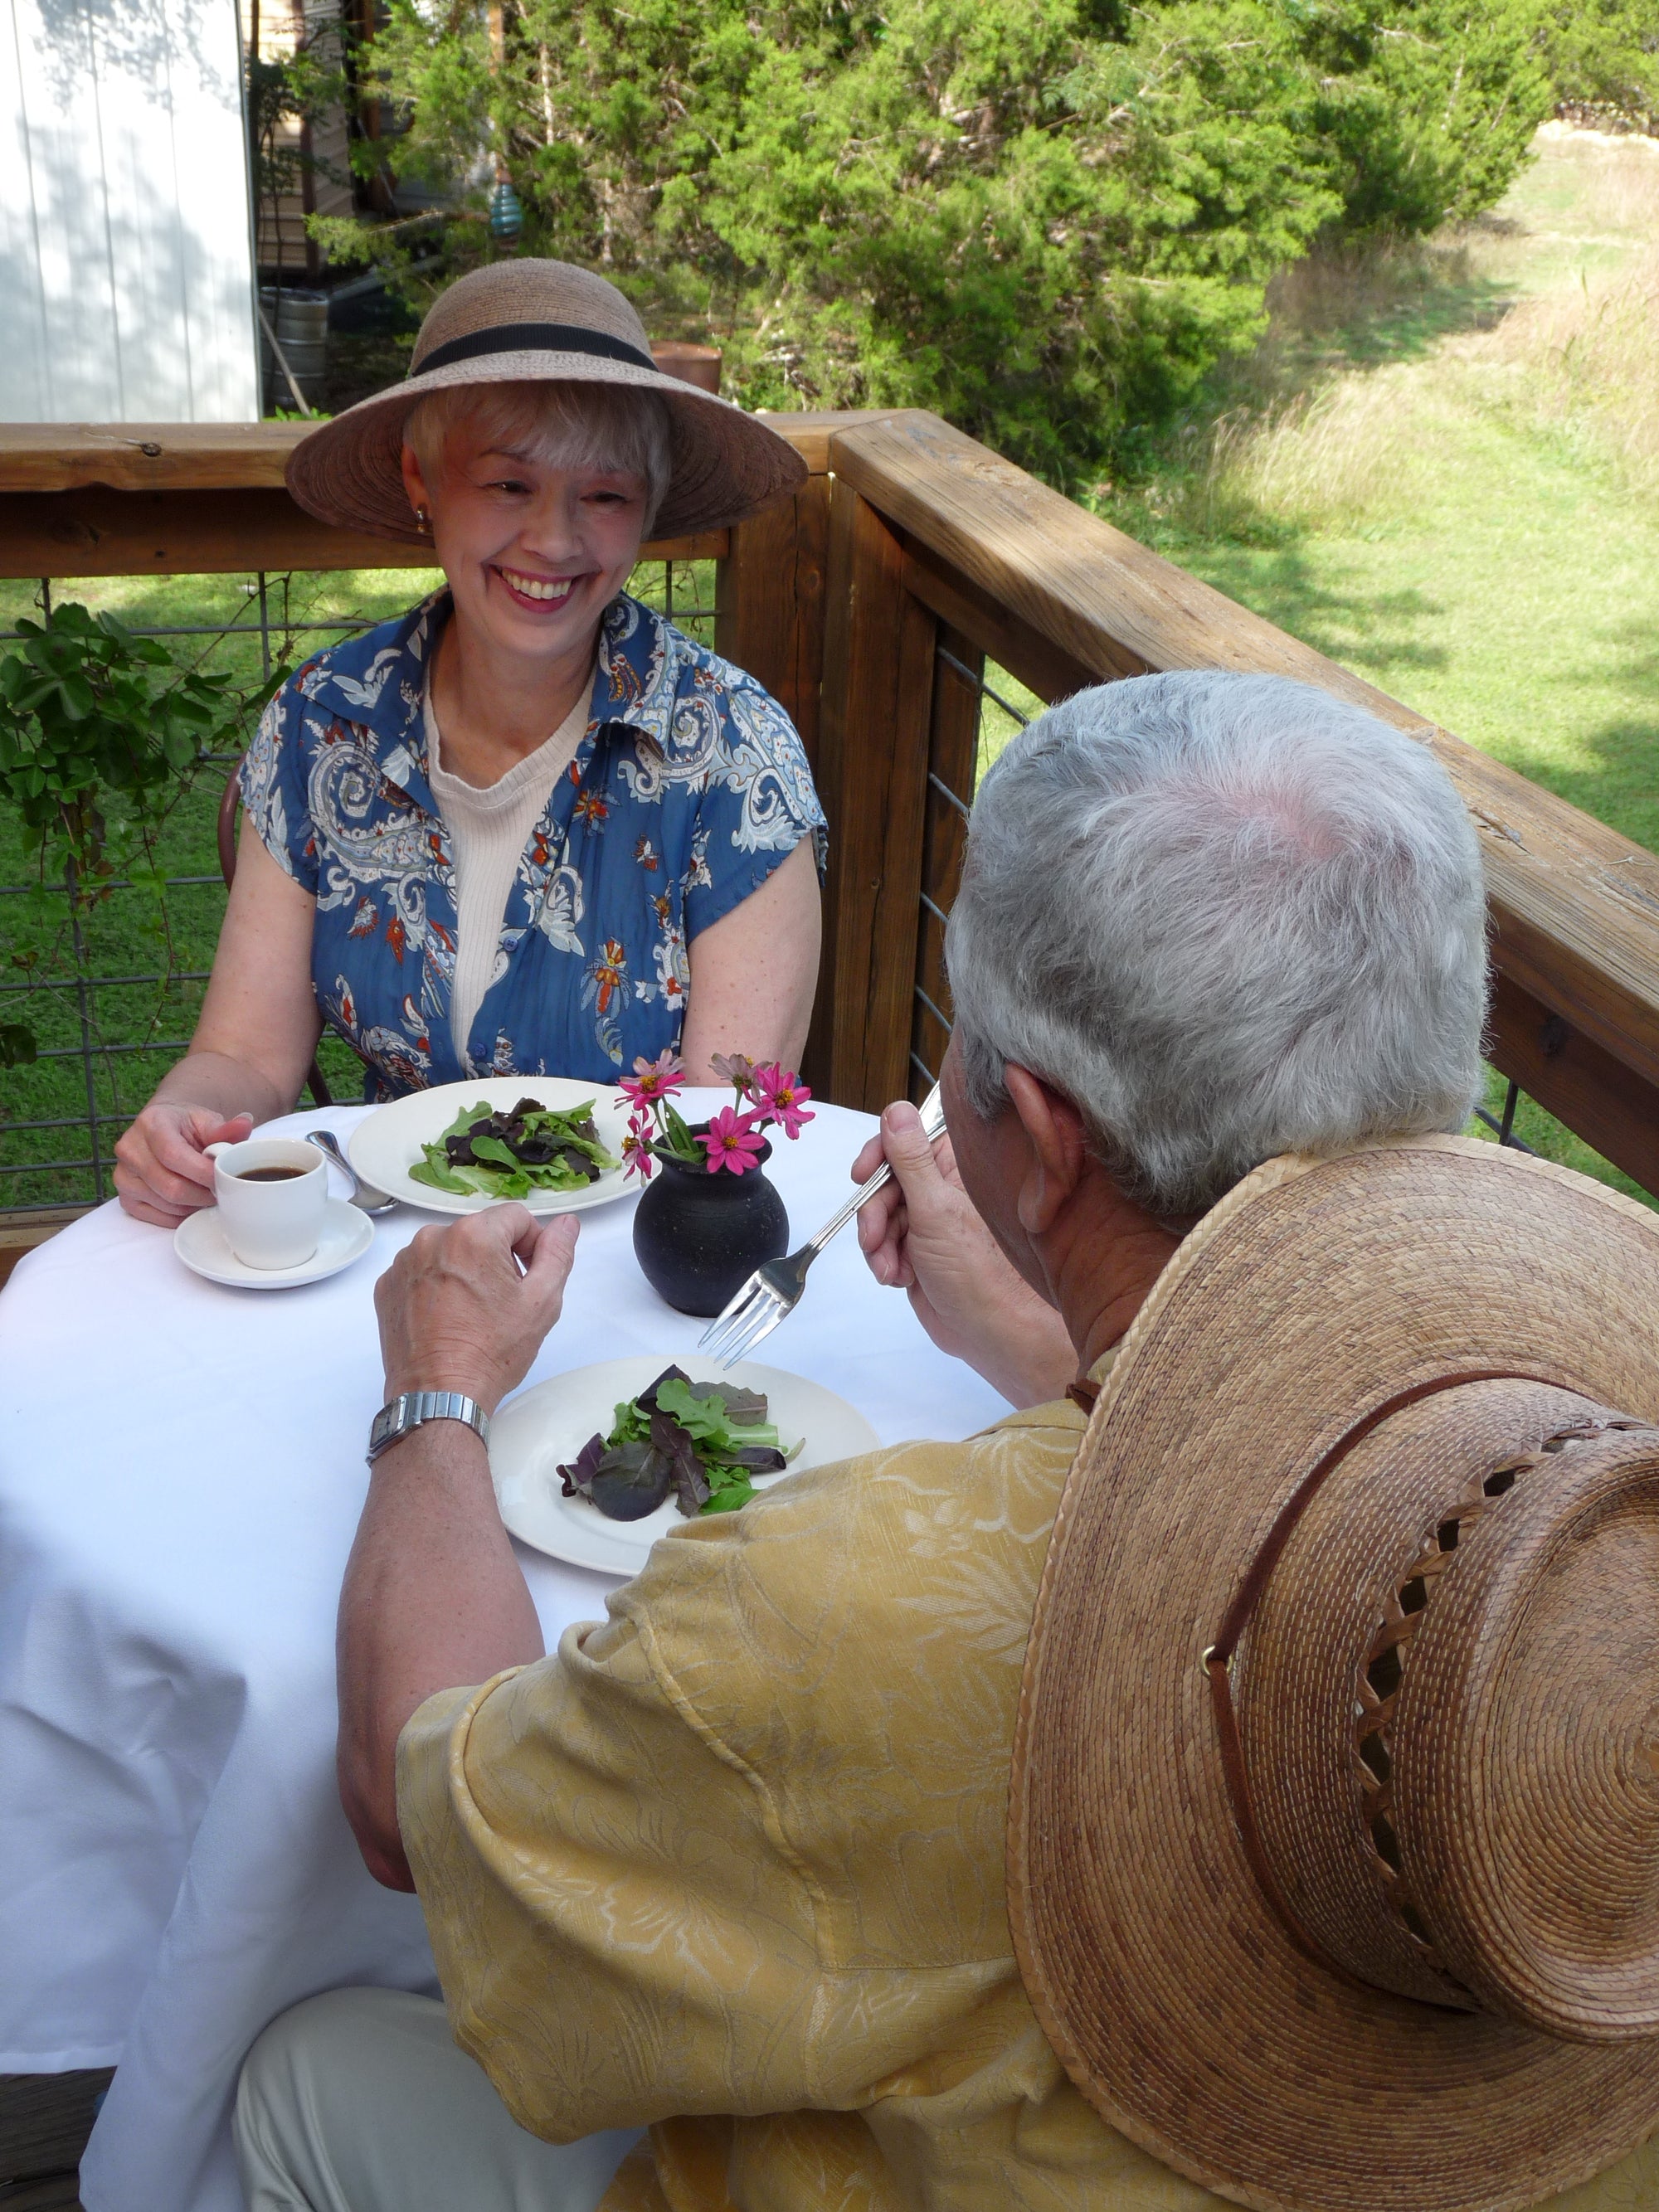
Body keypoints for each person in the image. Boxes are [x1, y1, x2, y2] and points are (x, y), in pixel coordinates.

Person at [236, 670, 1652, 2210]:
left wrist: (437, 1392)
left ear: (1038, 1140)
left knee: (299, 2070)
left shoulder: (839, 1604)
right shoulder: (1602, 1458)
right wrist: (1056, 1343)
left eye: (956, 1030)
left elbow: (418, 1805)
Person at [114, 261, 823, 1228]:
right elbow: (244, 1056)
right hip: (375, 1249)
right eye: (507, 484)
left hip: (631, 1259)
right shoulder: (325, 719)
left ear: (649, 508)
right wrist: (182, 1120)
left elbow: (718, 1135)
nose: (554, 541)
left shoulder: (733, 753)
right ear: (423, 480)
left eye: (604, 496)